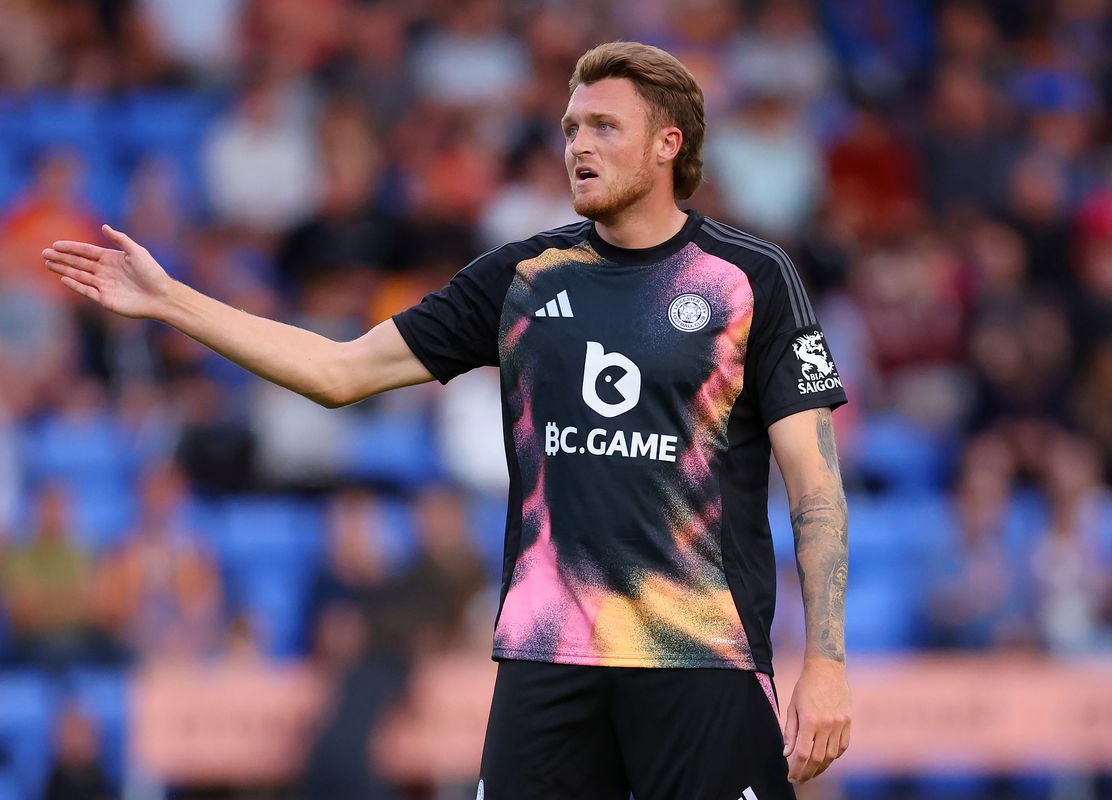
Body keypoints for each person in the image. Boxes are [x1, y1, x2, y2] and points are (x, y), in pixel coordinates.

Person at [42, 41, 851, 799]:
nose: (578, 145)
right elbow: (339, 371)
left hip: (701, 654)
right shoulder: (524, 278)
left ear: (669, 143)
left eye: (605, 126)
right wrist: (169, 301)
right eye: (571, 128)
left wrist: (825, 662)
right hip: (547, 655)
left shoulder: (751, 279)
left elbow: (815, 486)